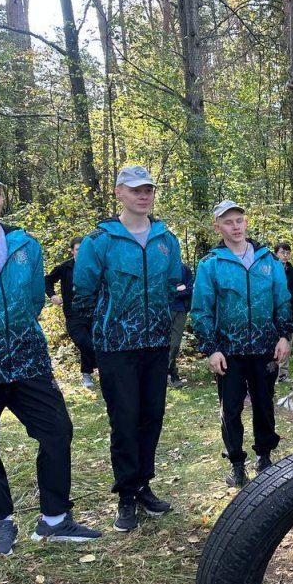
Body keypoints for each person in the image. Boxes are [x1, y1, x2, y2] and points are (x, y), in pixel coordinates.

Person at [0, 173, 101, 555]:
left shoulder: (25, 245)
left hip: (28, 360)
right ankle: (1, 521)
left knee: (57, 431)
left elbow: (37, 296)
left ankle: (54, 519)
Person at [72, 165, 182, 532]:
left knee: (152, 416)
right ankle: (125, 495)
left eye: (148, 189)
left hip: (154, 345)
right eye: (135, 189)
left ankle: (143, 485)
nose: (143, 195)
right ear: (119, 192)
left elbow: (171, 287)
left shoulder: (167, 239)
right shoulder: (99, 241)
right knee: (124, 419)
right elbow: (83, 296)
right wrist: (94, 343)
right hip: (116, 348)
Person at [191, 201, 293, 488]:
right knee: (231, 408)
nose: (235, 226)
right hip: (229, 352)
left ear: (245, 223)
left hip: (264, 349)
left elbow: (282, 300)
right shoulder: (211, 263)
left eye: (239, 220)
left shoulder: (268, 260)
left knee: (264, 404)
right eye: (228, 222)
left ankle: (265, 456)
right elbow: (201, 309)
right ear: (218, 227)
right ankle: (237, 463)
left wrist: (284, 335)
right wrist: (211, 348)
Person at [46, 237, 97, 389]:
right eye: (77, 250)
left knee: (89, 342)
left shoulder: (94, 266)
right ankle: (103, 365)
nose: (81, 253)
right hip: (73, 313)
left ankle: (86, 374)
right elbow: (47, 280)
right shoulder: (65, 267)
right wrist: (52, 295)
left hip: (93, 311)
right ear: (72, 251)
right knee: (82, 341)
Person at [274, 242, 293, 382]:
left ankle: (283, 374)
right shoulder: (270, 268)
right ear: (276, 253)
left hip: (289, 312)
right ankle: (272, 371)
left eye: (287, 252)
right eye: (282, 252)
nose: (285, 255)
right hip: (272, 313)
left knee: (287, 343)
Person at [167, 262, 194, 389]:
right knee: (160, 345)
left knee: (174, 344)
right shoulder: (159, 266)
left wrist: (174, 291)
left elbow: (190, 290)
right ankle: (172, 375)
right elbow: (159, 289)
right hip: (161, 309)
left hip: (179, 309)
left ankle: (167, 374)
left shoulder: (184, 269)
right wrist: (177, 288)